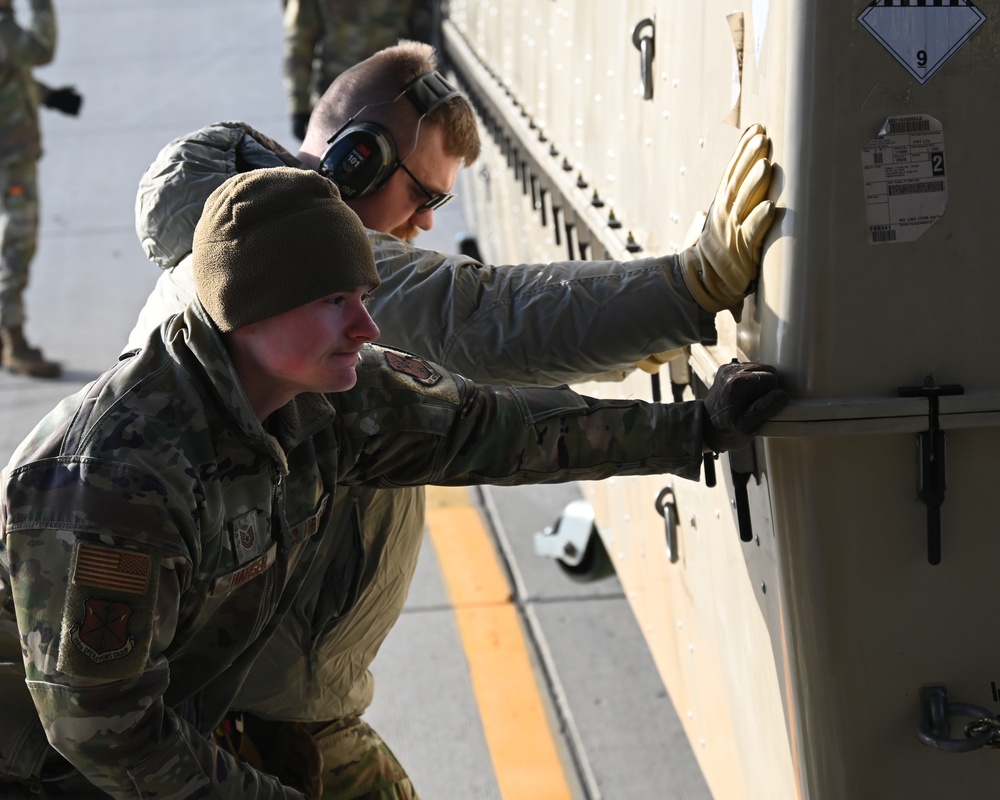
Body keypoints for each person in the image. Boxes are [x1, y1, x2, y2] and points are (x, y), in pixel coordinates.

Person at [0, 165, 787, 799]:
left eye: (365, 298)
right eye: (335, 302)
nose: (367, 327)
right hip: (55, 766)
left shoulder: (325, 393)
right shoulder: (110, 485)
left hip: (181, 711)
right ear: (252, 311)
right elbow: (103, 729)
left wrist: (695, 428)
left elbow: (492, 430)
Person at [0, 0, 81, 378]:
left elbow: (12, 72)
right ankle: (12, 339)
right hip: (8, 162)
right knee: (15, 243)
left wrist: (49, 98)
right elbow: (39, 51)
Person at [284, 0, 441, 140]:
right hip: (339, 101)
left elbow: (424, 38)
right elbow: (300, 42)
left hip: (393, 98)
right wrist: (299, 106)